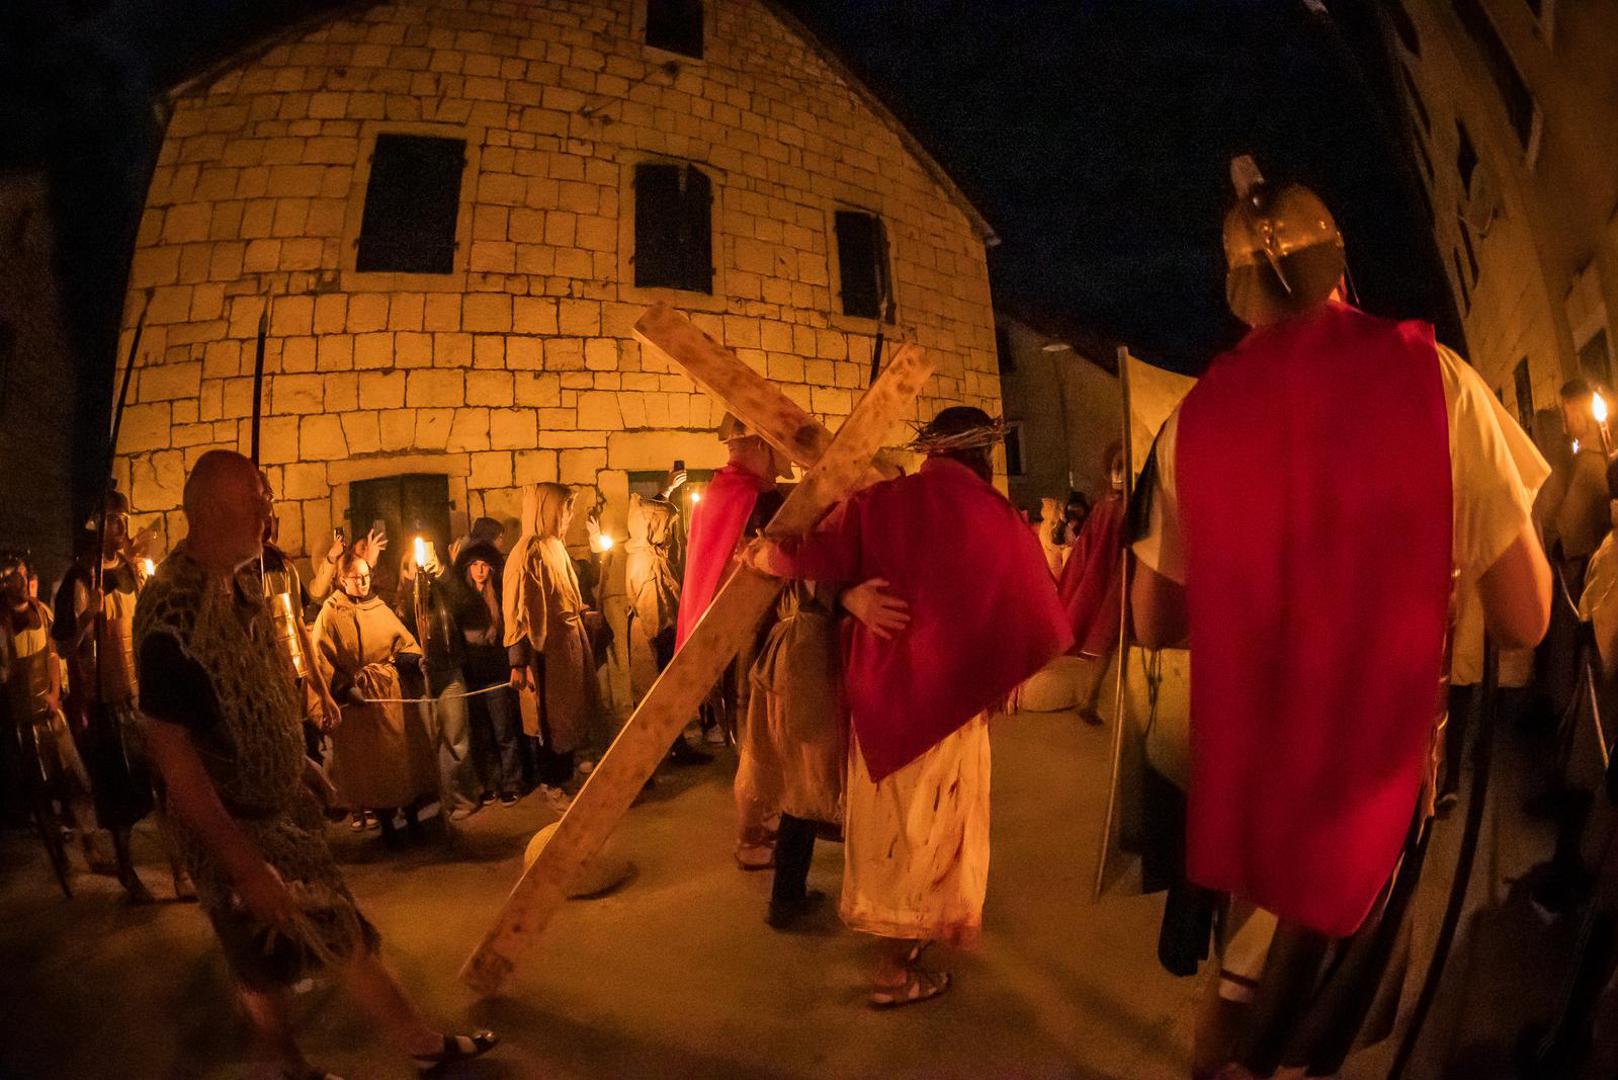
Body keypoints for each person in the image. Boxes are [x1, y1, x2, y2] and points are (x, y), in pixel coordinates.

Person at [1129, 159, 1552, 1079]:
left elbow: (1152, 619)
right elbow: (1525, 618)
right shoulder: (1439, 383)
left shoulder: (1192, 418)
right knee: (1292, 1010)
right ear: (1340, 264)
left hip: (1248, 773)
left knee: (1243, 993)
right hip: (1375, 778)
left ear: (1237, 290)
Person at [133, 449, 496, 1079]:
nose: (271, 510)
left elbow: (257, 691)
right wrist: (246, 867)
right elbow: (175, 757)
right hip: (232, 825)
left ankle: (301, 1065)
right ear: (216, 508)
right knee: (326, 930)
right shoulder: (171, 613)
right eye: (259, 496)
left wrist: (297, 762)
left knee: (262, 954)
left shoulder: (239, 583)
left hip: (276, 807)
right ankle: (413, 1046)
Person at [748, 405, 1072, 1005]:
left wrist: (764, 558)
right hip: (953, 709)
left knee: (896, 831)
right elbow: (1037, 607)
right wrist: (996, 674)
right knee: (936, 833)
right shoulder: (998, 518)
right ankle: (892, 970)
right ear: (984, 455)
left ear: (932, 451)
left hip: (887, 700)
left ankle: (909, 947)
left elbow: (812, 553)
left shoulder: (885, 503)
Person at [52, 491, 189, 901]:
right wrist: (88, 614)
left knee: (167, 788)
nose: (122, 527)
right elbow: (63, 647)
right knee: (121, 798)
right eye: (114, 520)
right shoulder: (78, 580)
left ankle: (181, 873)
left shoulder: (132, 571)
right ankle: (129, 875)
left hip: (141, 696)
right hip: (106, 701)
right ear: (97, 523)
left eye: (124, 519)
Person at [680, 415, 792, 866]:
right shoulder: (754, 497)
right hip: (755, 632)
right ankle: (753, 835)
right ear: (762, 446)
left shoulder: (722, 492)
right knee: (760, 737)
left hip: (738, 632)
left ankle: (760, 827)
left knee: (756, 735)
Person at [311, 553, 438, 844]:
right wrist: (344, 687)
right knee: (373, 765)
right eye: (357, 577)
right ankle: (386, 824)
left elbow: (402, 642)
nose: (364, 582)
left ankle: (412, 817)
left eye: (367, 575)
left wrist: (414, 662)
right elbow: (321, 660)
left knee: (401, 757)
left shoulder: (379, 607)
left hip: (391, 695)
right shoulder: (330, 613)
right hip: (360, 701)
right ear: (343, 579)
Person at [0, 549, 104, 877]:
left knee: (77, 780)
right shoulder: (1, 625)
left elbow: (53, 655)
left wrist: (56, 694)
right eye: (10, 577)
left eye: (20, 575)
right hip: (23, 723)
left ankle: (92, 848)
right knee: (42, 792)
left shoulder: (42, 612)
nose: (18, 582)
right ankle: (58, 853)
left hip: (52, 715)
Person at [503, 482, 600, 810]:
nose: (568, 516)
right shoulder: (527, 553)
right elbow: (516, 611)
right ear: (544, 510)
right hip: (545, 655)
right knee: (550, 719)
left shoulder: (555, 547)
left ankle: (564, 774)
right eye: (564, 508)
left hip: (567, 647)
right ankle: (551, 782)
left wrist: (582, 611)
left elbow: (564, 593)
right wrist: (518, 660)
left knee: (569, 715)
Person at [256, 474, 341, 764]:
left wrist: (321, 691)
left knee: (307, 753)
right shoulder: (229, 571)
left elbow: (299, 632)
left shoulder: (283, 567)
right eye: (262, 504)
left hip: (293, 682)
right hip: (258, 691)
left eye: (270, 507)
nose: (269, 518)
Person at [397, 538, 482, 821]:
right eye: (412, 565)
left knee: (456, 739)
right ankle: (436, 799)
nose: (419, 568)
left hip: (449, 670)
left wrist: (443, 574)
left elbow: (471, 606)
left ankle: (461, 798)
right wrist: (412, 587)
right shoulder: (404, 599)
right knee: (429, 741)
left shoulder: (445, 591)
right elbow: (403, 629)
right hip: (421, 678)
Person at [448, 539, 524, 807]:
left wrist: (516, 665)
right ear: (468, 569)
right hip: (472, 673)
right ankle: (490, 782)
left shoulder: (501, 595)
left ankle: (511, 782)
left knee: (504, 731)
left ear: (491, 569)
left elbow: (513, 629)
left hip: (496, 672)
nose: (480, 570)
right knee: (481, 732)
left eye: (484, 566)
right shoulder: (463, 598)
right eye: (474, 565)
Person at [1057, 444, 1128, 725]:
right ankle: (1092, 700)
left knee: (1110, 646)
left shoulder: (1112, 506)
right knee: (1109, 645)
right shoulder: (1108, 508)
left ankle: (1092, 700)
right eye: (1114, 468)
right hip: (1114, 584)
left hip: (1117, 583)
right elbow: (1090, 550)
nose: (1117, 474)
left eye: (1122, 468)